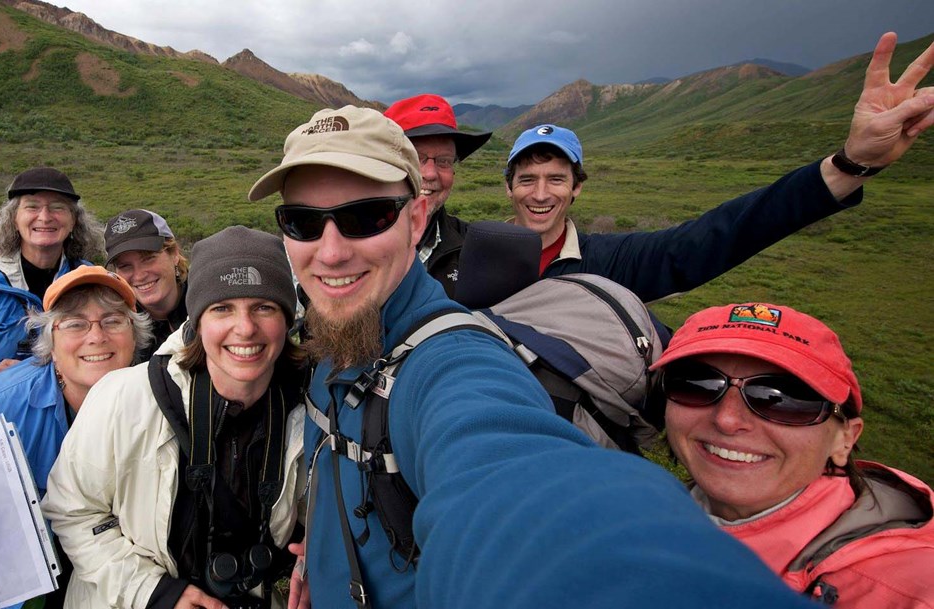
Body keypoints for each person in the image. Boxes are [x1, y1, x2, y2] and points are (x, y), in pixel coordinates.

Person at [248, 106, 818, 608]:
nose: (328, 250)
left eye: (365, 216)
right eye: (300, 221)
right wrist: (324, 553)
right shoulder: (339, 325)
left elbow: (515, 483)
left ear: (416, 219)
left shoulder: (450, 363)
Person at [504, 32, 934, 304]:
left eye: (556, 178)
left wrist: (850, 165)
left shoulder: (613, 261)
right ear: (509, 188)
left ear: (576, 188)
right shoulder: (465, 253)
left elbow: (725, 233)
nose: (541, 193)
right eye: (527, 179)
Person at [41, 226, 308, 609]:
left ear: (287, 319)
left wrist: (316, 554)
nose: (245, 328)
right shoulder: (125, 397)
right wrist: (154, 593)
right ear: (196, 322)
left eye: (264, 307)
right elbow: (73, 513)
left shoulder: (309, 403)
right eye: (222, 308)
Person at [655, 302, 934, 608]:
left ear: (844, 439)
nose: (727, 419)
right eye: (697, 384)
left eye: (781, 399)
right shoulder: (647, 515)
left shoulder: (904, 590)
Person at [0, 266, 152, 495]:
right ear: (50, 343)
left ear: (134, 335)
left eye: (112, 321)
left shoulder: (161, 401)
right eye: (75, 324)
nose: (97, 337)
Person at [0, 167, 105, 387]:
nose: (44, 217)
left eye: (57, 208)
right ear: (14, 219)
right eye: (32, 207)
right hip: (0, 411)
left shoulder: (89, 278)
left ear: (74, 221)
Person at [382, 94, 492, 298]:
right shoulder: (337, 236)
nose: (430, 173)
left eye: (444, 161)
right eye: (415, 157)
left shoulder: (474, 249)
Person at [103, 209, 189, 360]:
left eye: (148, 258)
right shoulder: (113, 327)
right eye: (125, 266)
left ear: (174, 254)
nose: (140, 275)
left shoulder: (211, 304)